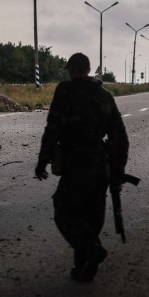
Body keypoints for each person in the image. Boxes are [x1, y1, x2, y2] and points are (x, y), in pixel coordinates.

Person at [35, 53, 129, 282]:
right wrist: (117, 172)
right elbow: (120, 137)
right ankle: (84, 266)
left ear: (75, 69)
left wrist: (42, 160)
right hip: (100, 164)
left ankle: (92, 249)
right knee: (91, 216)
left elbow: (53, 127)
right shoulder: (103, 95)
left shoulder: (65, 90)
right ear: (87, 69)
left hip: (76, 162)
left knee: (65, 211)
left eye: (69, 69)